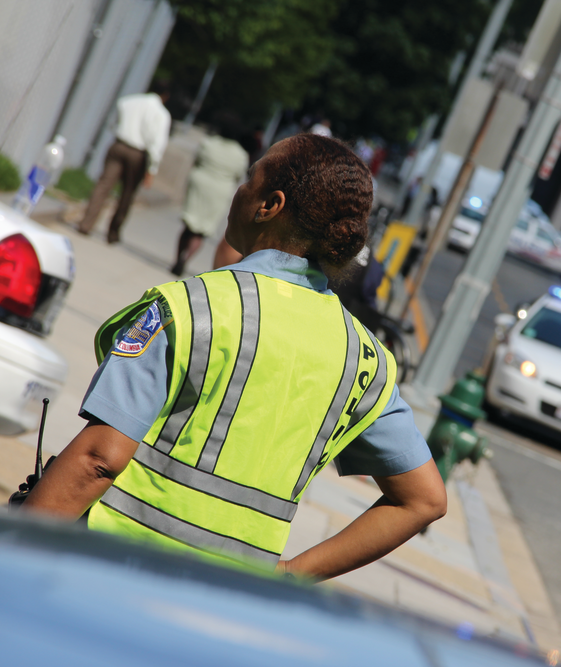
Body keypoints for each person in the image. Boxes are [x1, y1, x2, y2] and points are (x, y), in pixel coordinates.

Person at [24, 134, 447, 581]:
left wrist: (5, 554)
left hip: (106, 578)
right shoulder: (364, 358)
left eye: (250, 179)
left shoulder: (191, 308)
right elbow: (425, 499)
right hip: (221, 614)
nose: (240, 190)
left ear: (270, 204)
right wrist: (287, 576)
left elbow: (98, 459)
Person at [77, 80, 172, 244]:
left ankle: (86, 223)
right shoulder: (161, 114)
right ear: (165, 96)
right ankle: (113, 232)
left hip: (118, 145)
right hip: (138, 154)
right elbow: (157, 144)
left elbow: (114, 123)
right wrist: (152, 169)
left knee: (103, 185)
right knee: (127, 193)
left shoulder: (128, 101)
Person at [171, 112, 249, 276]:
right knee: (201, 231)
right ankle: (185, 259)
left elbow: (197, 161)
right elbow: (237, 175)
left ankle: (177, 258)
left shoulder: (208, 143)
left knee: (189, 225)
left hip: (200, 183)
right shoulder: (241, 154)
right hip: (219, 190)